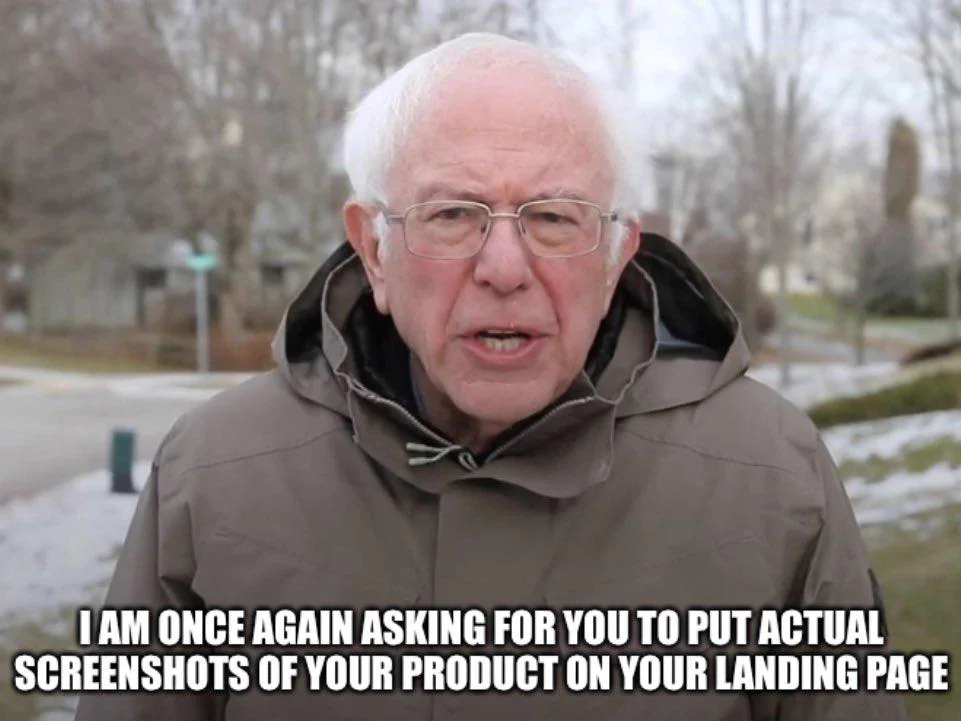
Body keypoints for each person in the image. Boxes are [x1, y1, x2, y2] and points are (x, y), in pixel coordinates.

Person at [76, 32, 906, 721]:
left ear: (618, 251)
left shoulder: (769, 476)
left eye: (551, 217)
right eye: (451, 215)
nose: (502, 267)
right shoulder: (216, 474)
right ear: (374, 249)